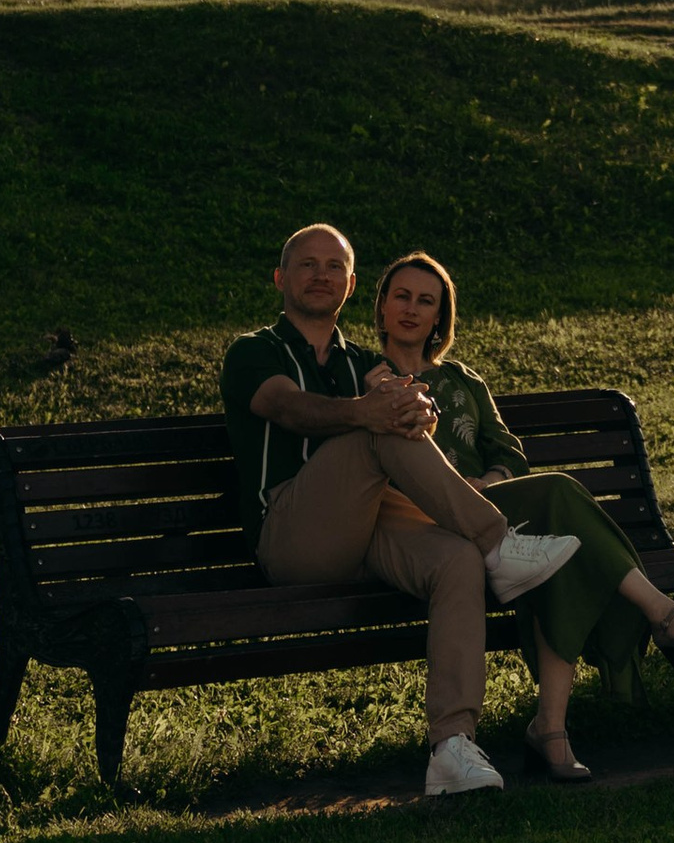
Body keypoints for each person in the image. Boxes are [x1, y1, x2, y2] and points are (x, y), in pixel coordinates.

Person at [219, 220, 581, 798]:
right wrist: (371, 412)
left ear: (351, 284)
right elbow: (288, 408)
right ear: (281, 277)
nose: (321, 275)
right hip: (291, 537)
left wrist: (419, 413)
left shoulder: (364, 362)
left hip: (369, 532)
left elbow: (409, 418)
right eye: (307, 264)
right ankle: (499, 542)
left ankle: (452, 749)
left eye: (334, 266)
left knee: (456, 561)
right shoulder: (253, 351)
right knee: (375, 425)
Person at [367, 248, 674, 782]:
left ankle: (551, 729)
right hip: (418, 523)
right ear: (382, 307)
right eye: (402, 297)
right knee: (560, 500)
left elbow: (508, 452)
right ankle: (661, 615)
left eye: (426, 301)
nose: (412, 309)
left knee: (563, 552)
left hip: (489, 510)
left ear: (440, 317)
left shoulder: (464, 382)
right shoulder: (367, 376)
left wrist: (487, 484)